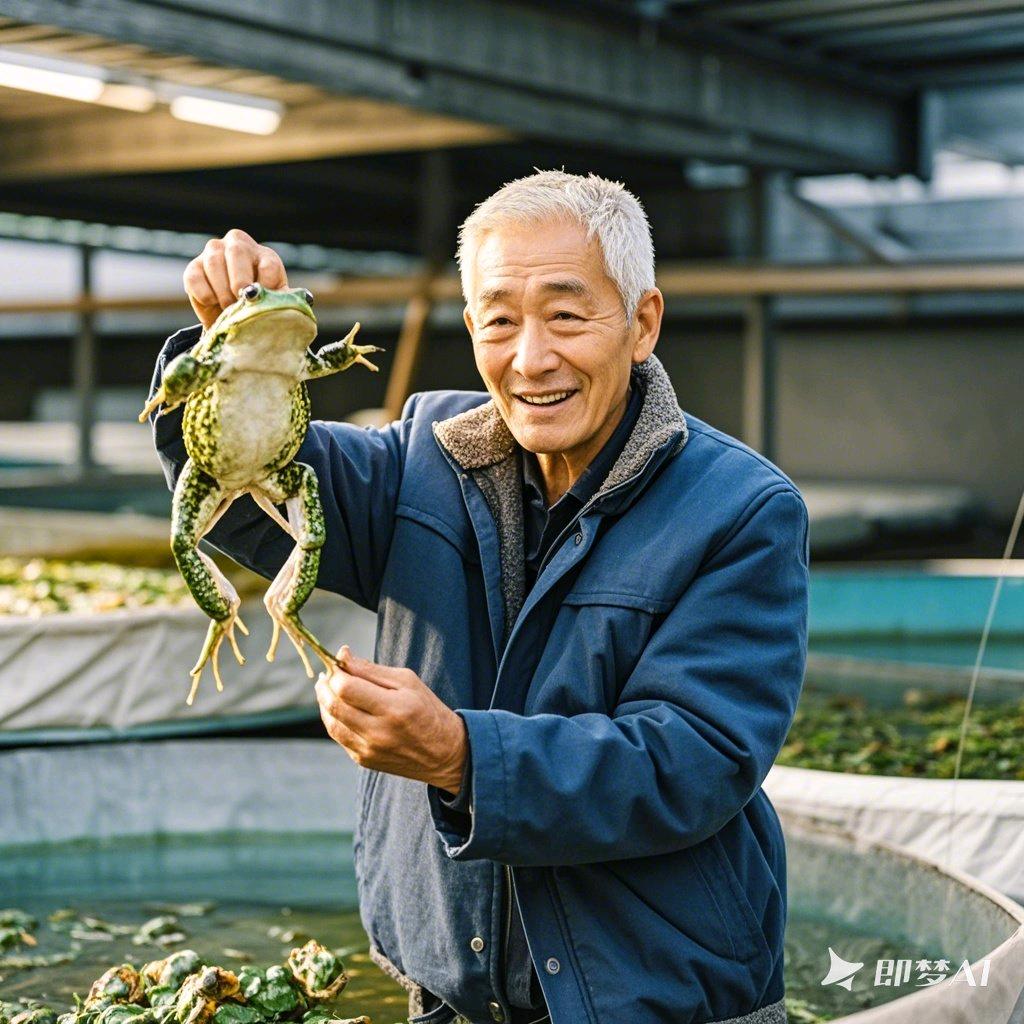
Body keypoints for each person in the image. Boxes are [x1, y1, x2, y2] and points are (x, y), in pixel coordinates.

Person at [147, 170, 808, 1024]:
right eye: (500, 321)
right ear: (471, 330)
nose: (531, 357)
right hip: (452, 996)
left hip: (658, 1000)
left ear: (642, 323)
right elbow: (248, 483)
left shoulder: (740, 510)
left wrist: (462, 756)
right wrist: (226, 355)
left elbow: (692, 761)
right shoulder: (420, 457)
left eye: (567, 315)